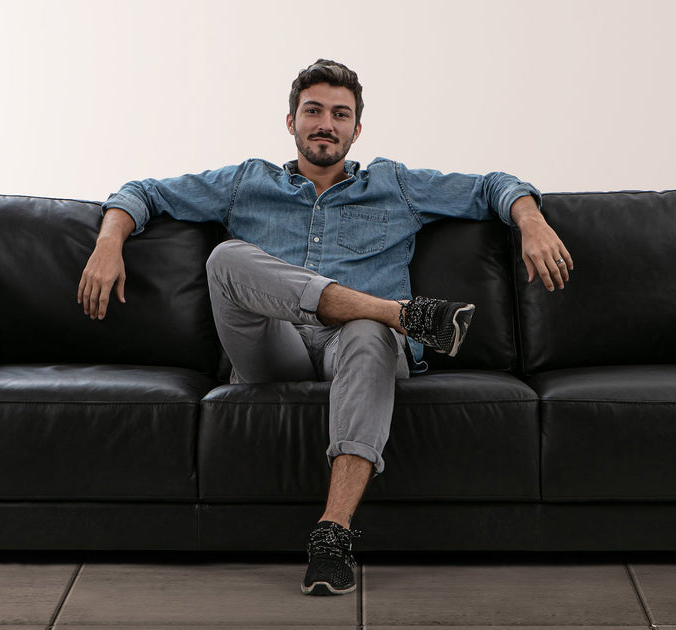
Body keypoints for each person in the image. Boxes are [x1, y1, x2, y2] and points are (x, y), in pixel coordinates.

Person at [77, 59, 571, 596]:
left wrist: (532, 221)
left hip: (359, 348)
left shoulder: (395, 185)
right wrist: (108, 244)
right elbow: (142, 192)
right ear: (290, 122)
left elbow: (493, 185)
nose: (325, 124)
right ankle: (401, 313)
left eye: (340, 114)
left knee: (367, 331)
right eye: (312, 111)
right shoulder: (246, 182)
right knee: (226, 259)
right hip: (272, 348)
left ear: (356, 131)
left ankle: (332, 534)